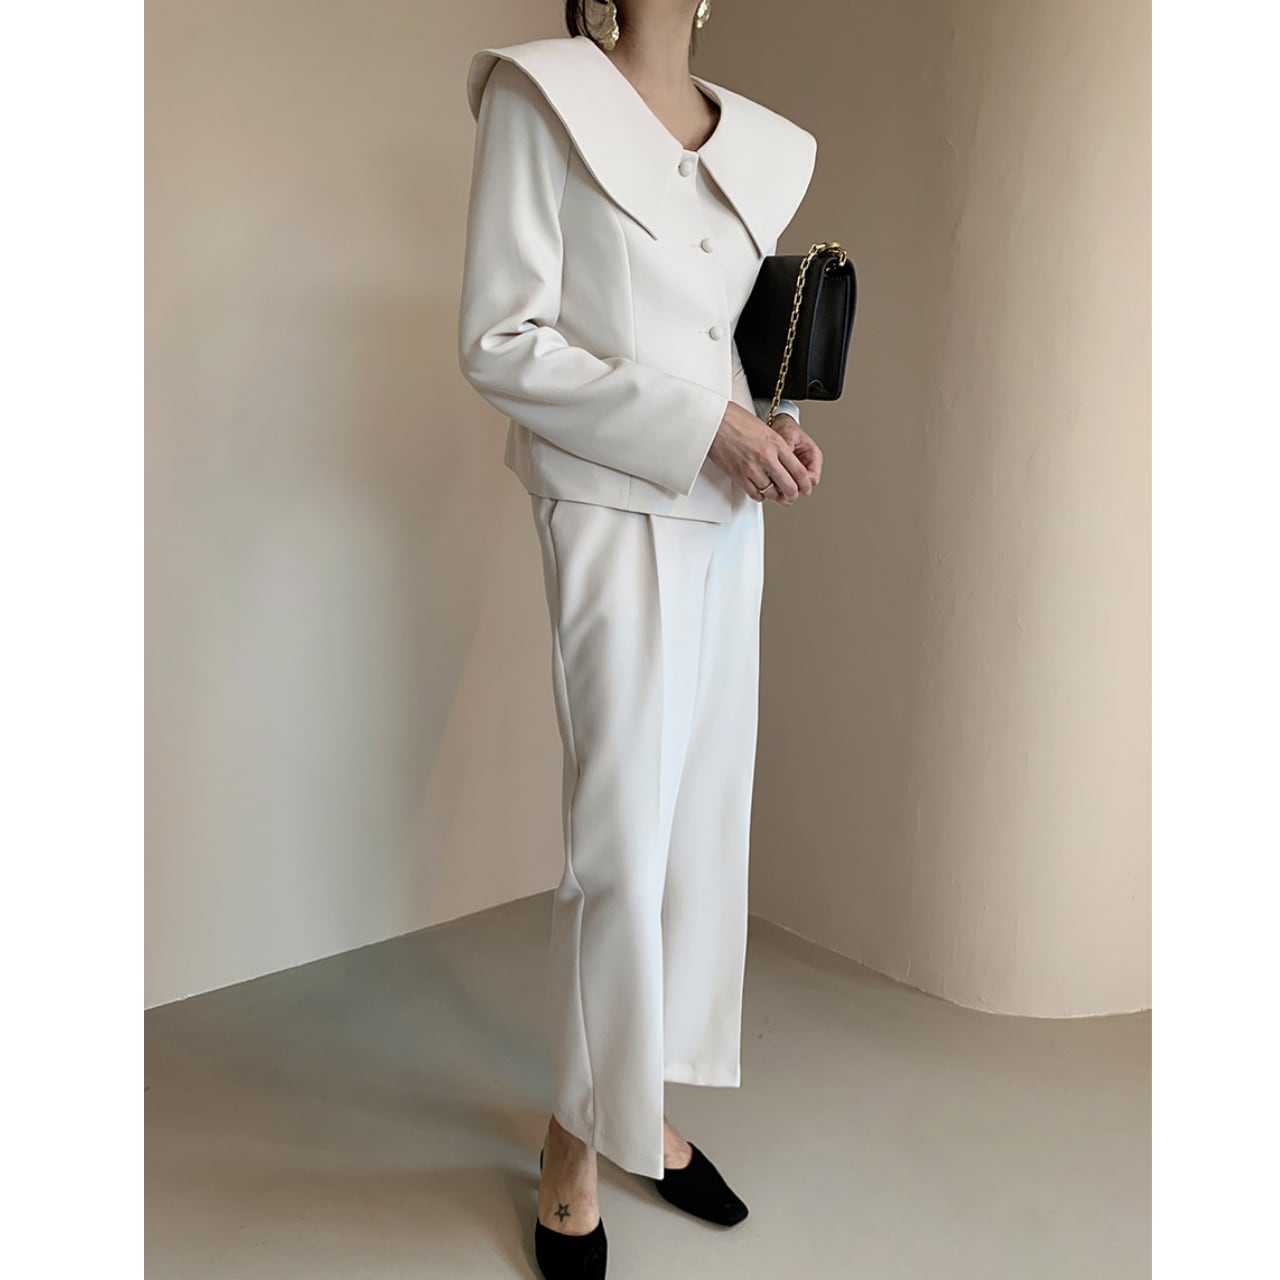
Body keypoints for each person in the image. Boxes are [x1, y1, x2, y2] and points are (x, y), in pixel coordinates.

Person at [457, 4, 821, 1276]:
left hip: (727, 516)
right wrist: (704, 427)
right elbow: (500, 339)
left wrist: (768, 426)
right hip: (613, 507)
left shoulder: (760, 142)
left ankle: (634, 1104)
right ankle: (575, 1141)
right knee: (618, 837)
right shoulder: (540, 96)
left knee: (695, 825)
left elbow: (726, 342)